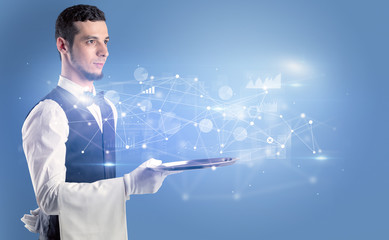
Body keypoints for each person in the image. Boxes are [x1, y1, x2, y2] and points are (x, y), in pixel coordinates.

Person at [21, 4, 176, 240]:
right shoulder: (48, 112)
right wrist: (129, 185)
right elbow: (50, 198)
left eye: (106, 41)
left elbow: (97, 181)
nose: (104, 51)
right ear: (63, 45)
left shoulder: (108, 107)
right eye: (91, 41)